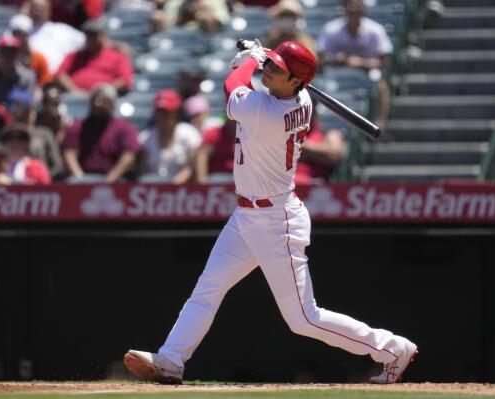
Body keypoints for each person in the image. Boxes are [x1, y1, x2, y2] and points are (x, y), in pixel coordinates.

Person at [123, 41, 417, 384]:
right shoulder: (300, 99)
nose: (270, 70)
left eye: (278, 69)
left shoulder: (266, 110)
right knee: (209, 287)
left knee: (304, 318)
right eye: (271, 65)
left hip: (276, 222)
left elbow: (232, 86)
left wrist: (249, 60)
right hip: (247, 215)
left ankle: (392, 348)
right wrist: (264, 57)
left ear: (295, 82)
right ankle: (171, 359)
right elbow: (261, 78)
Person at [316, 0, 393, 129]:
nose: (353, 9)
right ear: (344, 7)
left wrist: (360, 62)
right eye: (350, 5)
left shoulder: (375, 30)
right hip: (337, 74)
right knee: (318, 85)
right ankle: (319, 125)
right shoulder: (331, 29)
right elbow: (321, 57)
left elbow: (384, 61)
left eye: (357, 5)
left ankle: (380, 123)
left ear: (363, 8)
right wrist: (336, 58)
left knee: (381, 85)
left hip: (367, 73)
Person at [62, 84, 139, 182]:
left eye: (103, 101)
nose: (97, 104)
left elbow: (128, 156)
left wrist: (110, 179)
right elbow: (69, 154)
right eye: (94, 100)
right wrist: (80, 179)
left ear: (112, 104)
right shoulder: (77, 127)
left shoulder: (125, 128)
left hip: (115, 180)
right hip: (82, 178)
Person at [55, 18, 134, 95]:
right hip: (75, 99)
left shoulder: (117, 57)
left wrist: (105, 90)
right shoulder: (74, 56)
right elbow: (60, 74)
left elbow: (125, 80)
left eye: (94, 35)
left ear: (103, 36)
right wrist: (74, 90)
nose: (91, 38)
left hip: (104, 99)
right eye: (89, 35)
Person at [137, 89, 201, 184]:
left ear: (176, 112)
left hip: (183, 190)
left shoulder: (189, 133)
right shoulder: (144, 137)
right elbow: (142, 170)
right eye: (159, 111)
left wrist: (172, 186)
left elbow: (191, 166)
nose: (162, 116)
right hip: (151, 190)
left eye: (167, 112)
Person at [6, 87, 65, 179]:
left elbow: (58, 166)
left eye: (22, 106)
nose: (18, 112)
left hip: (41, 187)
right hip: (9, 187)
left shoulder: (44, 133)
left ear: (30, 110)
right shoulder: (3, 134)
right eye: (13, 106)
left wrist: (40, 179)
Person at [22, 0, 85, 74]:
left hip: (56, 80)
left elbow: (89, 42)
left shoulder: (62, 30)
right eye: (34, 7)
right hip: (26, 79)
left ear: (49, 10)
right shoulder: (21, 31)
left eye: (41, 7)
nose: (37, 11)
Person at [0, 33, 36, 105]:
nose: (7, 57)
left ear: (17, 54)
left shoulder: (28, 78)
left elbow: (31, 105)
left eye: (11, 53)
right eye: (4, 52)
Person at [9, 14, 52, 86]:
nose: (20, 37)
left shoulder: (38, 58)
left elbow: (45, 83)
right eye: (16, 34)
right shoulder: (6, 57)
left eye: (23, 34)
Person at [195, 118, 235, 183]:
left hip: (244, 179)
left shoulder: (252, 134)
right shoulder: (215, 133)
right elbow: (202, 156)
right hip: (217, 178)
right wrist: (202, 185)